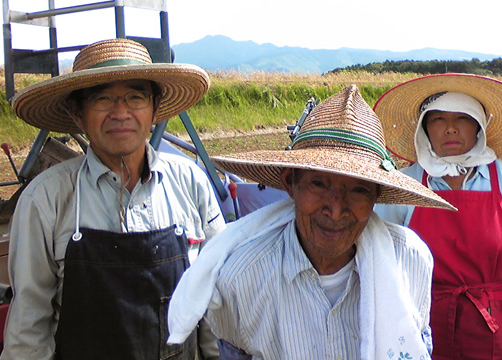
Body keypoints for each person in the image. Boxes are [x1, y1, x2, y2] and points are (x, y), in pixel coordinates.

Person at [167, 85, 456, 359]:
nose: (335, 209)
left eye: (357, 189)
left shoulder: (409, 260)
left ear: (376, 196)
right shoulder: (241, 276)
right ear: (291, 183)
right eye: (318, 183)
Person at [1, 38, 226, 360]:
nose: (121, 113)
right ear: (78, 114)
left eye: (136, 97)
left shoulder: (190, 181)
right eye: (102, 99)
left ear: (154, 110)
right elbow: (29, 323)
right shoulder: (46, 198)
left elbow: (214, 295)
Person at [373, 73, 502, 360]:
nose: (450, 129)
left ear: (479, 126)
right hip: (423, 333)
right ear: (424, 129)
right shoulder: (402, 186)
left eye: (463, 118)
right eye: (438, 119)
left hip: (499, 334)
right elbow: (379, 267)